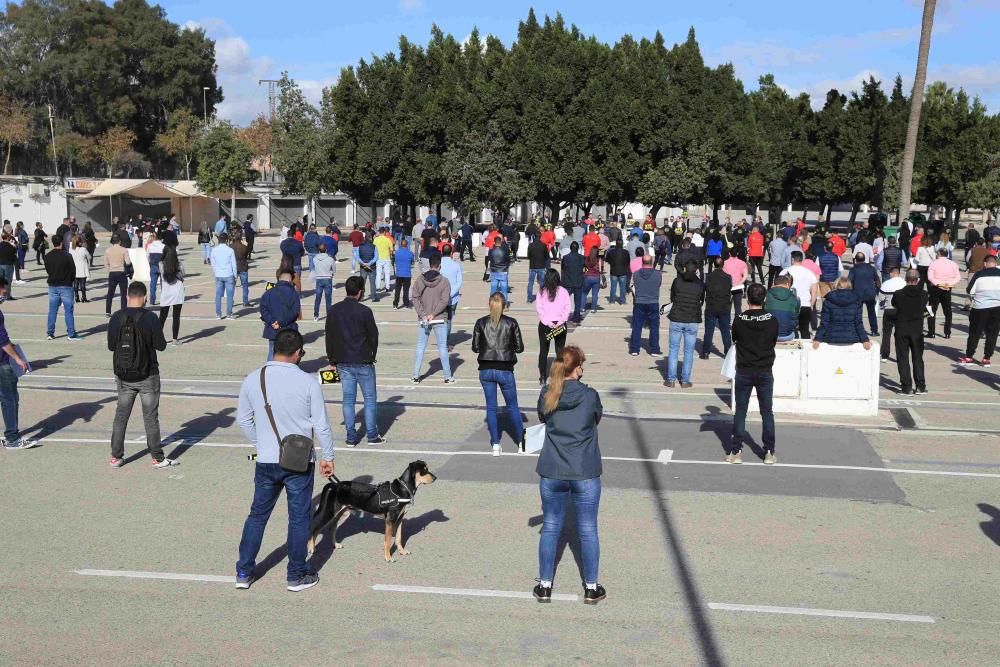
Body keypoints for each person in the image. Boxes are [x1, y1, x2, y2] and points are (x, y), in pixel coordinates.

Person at [236, 328, 335, 592]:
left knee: (257, 516)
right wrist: (328, 457)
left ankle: (244, 572)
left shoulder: (253, 378)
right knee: (298, 518)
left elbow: (244, 419)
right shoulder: (308, 382)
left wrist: (261, 442)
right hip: (299, 461)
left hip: (266, 459)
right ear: (298, 353)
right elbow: (321, 426)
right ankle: (296, 574)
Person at [533, 345, 605, 604]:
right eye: (582, 364)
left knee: (551, 526)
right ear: (577, 368)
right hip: (584, 469)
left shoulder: (547, 393)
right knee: (587, 528)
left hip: (552, 469)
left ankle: (544, 585)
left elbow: (543, 418)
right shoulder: (589, 396)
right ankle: (591, 586)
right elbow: (596, 418)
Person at [107, 282, 173, 468]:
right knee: (150, 417)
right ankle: (157, 457)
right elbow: (161, 345)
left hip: (124, 374)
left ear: (128, 296)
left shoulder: (116, 317)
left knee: (121, 415)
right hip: (148, 374)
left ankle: (115, 456)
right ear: (144, 298)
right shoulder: (150, 318)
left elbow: (111, 346)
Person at [326, 276, 384, 446]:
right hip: (363, 359)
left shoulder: (334, 310)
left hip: (343, 360)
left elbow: (330, 336)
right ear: (359, 293)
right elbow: (374, 335)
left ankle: (351, 436)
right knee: (370, 398)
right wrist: (372, 354)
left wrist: (332, 359)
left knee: (348, 399)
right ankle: (372, 435)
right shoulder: (365, 311)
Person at [729, 283, 779, 465]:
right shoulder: (772, 320)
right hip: (764, 368)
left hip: (744, 369)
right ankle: (769, 452)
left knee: (741, 411)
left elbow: (734, 339)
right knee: (767, 412)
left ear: (747, 298)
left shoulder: (740, 319)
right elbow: (773, 341)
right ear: (764, 299)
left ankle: (736, 451)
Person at [472, 292, 525, 456]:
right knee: (513, 407)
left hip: (486, 369)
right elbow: (519, 348)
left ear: (490, 305)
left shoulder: (481, 323)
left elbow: (475, 348)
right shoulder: (511, 323)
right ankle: (521, 444)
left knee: (491, 407)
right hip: (505, 368)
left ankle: (495, 444)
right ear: (504, 306)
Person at [0, 278, 37, 449]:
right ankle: (12, 439)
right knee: (10, 399)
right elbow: (3, 341)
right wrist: (17, 358)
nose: (5, 294)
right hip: (3, 362)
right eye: (4, 290)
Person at [411, 254, 454, 384]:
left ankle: (416, 375)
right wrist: (434, 314)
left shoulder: (420, 279)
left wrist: (423, 314)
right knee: (442, 347)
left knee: (420, 346)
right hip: (439, 318)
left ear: (429, 265)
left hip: (424, 319)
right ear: (439, 266)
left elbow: (415, 297)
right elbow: (445, 300)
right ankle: (447, 376)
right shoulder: (444, 281)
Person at [666, 261, 704, 388]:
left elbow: (672, 297)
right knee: (688, 351)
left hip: (677, 317)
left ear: (684, 268)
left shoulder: (677, 281)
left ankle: (671, 379)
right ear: (696, 270)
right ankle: (685, 380)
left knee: (673, 350)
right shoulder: (699, 284)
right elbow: (701, 300)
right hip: (692, 319)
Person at [891, 270, 929, 395]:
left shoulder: (898, 294)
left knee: (903, 358)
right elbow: (927, 312)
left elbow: (894, 304)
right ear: (917, 280)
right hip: (917, 329)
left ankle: (907, 387)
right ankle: (920, 386)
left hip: (902, 328)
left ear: (906, 279)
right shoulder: (924, 294)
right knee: (918, 358)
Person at [959, 254, 1000, 367]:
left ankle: (969, 356)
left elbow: (970, 291)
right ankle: (987, 358)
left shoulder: (979, 274)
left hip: (980, 307)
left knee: (974, 333)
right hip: (997, 307)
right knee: (993, 333)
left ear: (985, 264)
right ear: (995, 263)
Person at [812, 277, 872, 349]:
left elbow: (824, 323)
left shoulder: (829, 300)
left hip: (831, 337)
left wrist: (817, 338)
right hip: (852, 337)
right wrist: (865, 339)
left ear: (836, 285)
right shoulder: (856, 300)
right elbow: (858, 323)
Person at [536, 269, 571, 385]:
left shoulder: (541, 291)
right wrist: (561, 321)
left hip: (545, 325)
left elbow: (539, 309)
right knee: (560, 351)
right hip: (559, 325)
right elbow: (567, 308)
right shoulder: (564, 291)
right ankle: (559, 376)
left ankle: (542, 376)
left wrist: (547, 322)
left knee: (543, 351)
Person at [44, 234, 81, 341]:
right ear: (61, 243)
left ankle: (50, 333)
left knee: (52, 310)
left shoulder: (48, 256)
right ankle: (71, 333)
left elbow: (48, 270)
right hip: (66, 285)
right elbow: (73, 271)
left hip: (53, 285)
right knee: (68, 311)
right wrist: (70, 280)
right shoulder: (67, 256)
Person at [260, 269, 301, 361]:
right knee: (287, 353)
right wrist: (281, 323)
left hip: (272, 329)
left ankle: (270, 371)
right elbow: (294, 312)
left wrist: (272, 322)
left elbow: (263, 309)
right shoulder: (293, 293)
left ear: (279, 279)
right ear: (290, 280)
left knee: (272, 351)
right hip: (287, 329)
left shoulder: (268, 292)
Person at [628, 255, 662, 357]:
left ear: (642, 262)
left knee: (637, 326)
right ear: (651, 262)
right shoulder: (658, 274)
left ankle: (635, 348)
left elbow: (633, 285)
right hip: (653, 301)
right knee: (654, 327)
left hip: (639, 302)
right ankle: (654, 349)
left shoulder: (636, 274)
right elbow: (659, 284)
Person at [780, 251, 818, 339]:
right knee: (804, 329)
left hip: (789, 305)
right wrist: (811, 304)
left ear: (792, 260)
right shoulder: (809, 273)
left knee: (791, 329)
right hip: (805, 304)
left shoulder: (785, 272)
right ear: (802, 260)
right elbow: (814, 291)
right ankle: (806, 349)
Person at [702, 257, 733, 359]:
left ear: (714, 265)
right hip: (724, 306)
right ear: (723, 265)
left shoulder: (709, 277)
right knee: (725, 331)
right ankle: (728, 352)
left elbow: (705, 289)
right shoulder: (728, 277)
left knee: (709, 330)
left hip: (712, 305)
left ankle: (706, 352)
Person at [926, 248, 960, 339]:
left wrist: (938, 283)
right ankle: (947, 332)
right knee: (948, 311)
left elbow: (930, 277)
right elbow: (958, 277)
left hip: (935, 288)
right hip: (947, 288)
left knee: (930, 310)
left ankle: (931, 332)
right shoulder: (953, 264)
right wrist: (949, 284)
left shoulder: (933, 263)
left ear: (939, 254)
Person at [158, 245, 185, 345]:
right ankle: (175, 339)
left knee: (162, 317)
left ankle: (159, 338)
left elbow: (162, 275)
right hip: (177, 291)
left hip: (166, 292)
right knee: (176, 316)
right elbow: (183, 274)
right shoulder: (178, 264)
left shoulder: (161, 264)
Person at [848, 253, 881, 336]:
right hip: (870, 293)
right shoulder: (871, 268)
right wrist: (876, 291)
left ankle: (859, 331)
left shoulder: (854, 269)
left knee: (858, 313)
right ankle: (874, 331)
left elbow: (849, 281)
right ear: (865, 259)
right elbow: (877, 281)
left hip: (857, 293)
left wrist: (850, 292)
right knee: (871, 312)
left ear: (855, 260)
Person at [878, 267, 906, 362]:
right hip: (901, 311)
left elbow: (881, 299)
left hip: (889, 310)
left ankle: (885, 355)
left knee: (886, 334)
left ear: (891, 274)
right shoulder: (904, 283)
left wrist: (882, 307)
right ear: (899, 273)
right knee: (900, 335)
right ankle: (900, 356)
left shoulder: (886, 284)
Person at [765, 274, 800, 342]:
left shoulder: (767, 295)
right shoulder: (795, 298)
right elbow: (795, 318)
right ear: (787, 284)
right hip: (787, 335)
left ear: (774, 284)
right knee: (795, 331)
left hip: (770, 334)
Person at [439, 246, 463, 343]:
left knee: (440, 319)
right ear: (451, 253)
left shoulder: (438, 264)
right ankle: (446, 342)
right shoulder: (456, 265)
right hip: (453, 298)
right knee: (448, 320)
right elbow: (459, 282)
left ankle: (442, 340)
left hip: (440, 297)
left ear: (441, 252)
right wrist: (452, 293)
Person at [210, 233, 237, 319]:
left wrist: (215, 271)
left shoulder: (214, 250)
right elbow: (234, 264)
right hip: (229, 274)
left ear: (219, 240)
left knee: (218, 295)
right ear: (226, 240)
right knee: (230, 295)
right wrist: (235, 275)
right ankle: (229, 314)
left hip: (218, 274)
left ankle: (218, 314)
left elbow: (212, 263)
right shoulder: (230, 250)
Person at [561, 241, 585, 322]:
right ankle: (577, 317)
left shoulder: (565, 257)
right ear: (578, 248)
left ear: (570, 248)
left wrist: (562, 281)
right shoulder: (582, 258)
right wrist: (582, 275)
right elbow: (585, 269)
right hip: (578, 281)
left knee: (564, 301)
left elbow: (563, 270)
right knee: (577, 301)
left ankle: (563, 315)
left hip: (568, 282)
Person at [312, 243, 336, 321]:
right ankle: (329, 315)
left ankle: (316, 315)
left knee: (318, 298)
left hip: (319, 279)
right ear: (326, 250)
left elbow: (314, 268)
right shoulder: (330, 259)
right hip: (328, 279)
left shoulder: (315, 258)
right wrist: (331, 273)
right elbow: (334, 270)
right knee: (328, 298)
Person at [605, 239, 630, 305]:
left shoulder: (611, 251)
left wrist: (611, 262)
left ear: (616, 244)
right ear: (622, 244)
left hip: (613, 271)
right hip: (623, 271)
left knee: (613, 287)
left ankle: (612, 301)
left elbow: (607, 260)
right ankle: (623, 301)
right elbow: (628, 262)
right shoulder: (626, 252)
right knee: (623, 288)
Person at [526, 233, 549, 303]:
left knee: (530, 283)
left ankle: (529, 298)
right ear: (540, 237)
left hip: (532, 266)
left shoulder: (531, 245)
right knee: (542, 283)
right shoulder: (543, 245)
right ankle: (543, 297)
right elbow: (547, 256)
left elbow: (528, 256)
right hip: (541, 265)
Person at [393, 238, 414, 309]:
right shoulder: (410, 253)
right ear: (407, 245)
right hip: (407, 274)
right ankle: (406, 304)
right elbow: (412, 262)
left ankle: (395, 304)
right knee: (406, 290)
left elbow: (395, 261)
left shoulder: (397, 252)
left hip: (399, 274)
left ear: (401, 245)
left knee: (397, 290)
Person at [582, 248, 604, 314]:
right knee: (595, 294)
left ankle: (582, 307)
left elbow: (584, 268)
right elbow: (601, 270)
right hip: (596, 277)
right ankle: (593, 309)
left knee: (584, 293)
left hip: (588, 277)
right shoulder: (600, 260)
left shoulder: (587, 259)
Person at [357, 232, 377, 300]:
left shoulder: (360, 246)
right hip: (372, 267)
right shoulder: (374, 246)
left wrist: (363, 263)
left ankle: (361, 297)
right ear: (370, 238)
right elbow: (376, 257)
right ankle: (373, 297)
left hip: (363, 267)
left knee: (362, 282)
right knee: (372, 282)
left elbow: (357, 257)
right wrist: (369, 263)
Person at [373, 228, 394, 292]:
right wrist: (390, 255)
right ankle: (387, 287)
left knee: (378, 273)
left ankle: (378, 287)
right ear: (384, 232)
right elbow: (391, 250)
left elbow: (374, 248)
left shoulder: (376, 240)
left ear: (379, 232)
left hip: (378, 258)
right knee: (387, 273)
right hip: (386, 258)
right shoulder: (388, 239)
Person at [146, 232, 165, 304]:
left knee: (153, 284)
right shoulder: (163, 246)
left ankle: (152, 300)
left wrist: (150, 264)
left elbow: (148, 257)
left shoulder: (150, 246)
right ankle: (163, 300)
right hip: (162, 265)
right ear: (161, 239)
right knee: (163, 283)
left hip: (153, 265)